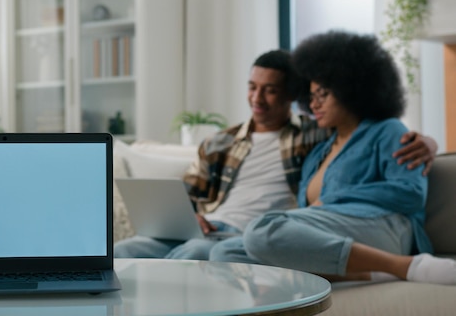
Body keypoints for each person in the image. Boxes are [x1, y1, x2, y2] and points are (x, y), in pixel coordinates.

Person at [114, 48, 437, 261]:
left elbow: (359, 130)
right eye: (252, 86)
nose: (257, 98)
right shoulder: (219, 143)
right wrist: (189, 215)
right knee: (123, 252)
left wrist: (428, 142)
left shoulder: (313, 135)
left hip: (253, 230)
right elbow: (186, 193)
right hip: (207, 225)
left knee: (195, 254)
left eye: (270, 90)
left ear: (290, 96)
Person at [209, 30, 456, 285]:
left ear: (350, 90)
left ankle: (403, 266)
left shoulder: (387, 130)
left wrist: (329, 200)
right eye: (311, 96)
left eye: (323, 95)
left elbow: (410, 192)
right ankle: (365, 272)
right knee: (225, 253)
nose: (314, 104)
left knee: (263, 229)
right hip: (329, 235)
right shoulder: (318, 151)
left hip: (385, 228)